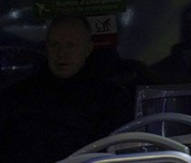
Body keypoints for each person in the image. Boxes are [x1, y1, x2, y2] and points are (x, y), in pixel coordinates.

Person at [0, 16, 135, 162]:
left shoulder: (112, 100)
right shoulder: (16, 98)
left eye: (71, 45)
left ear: (88, 49)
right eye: (55, 45)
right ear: (46, 47)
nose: (62, 53)